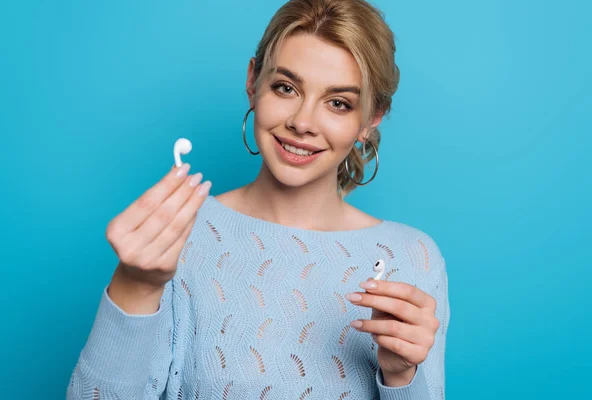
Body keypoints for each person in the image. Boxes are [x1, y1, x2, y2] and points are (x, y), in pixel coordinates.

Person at [67, 0, 450, 398]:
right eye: (286, 88)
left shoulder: (413, 258)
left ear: (372, 118)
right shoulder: (176, 236)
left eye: (339, 103)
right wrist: (135, 285)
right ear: (253, 82)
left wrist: (401, 378)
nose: (302, 122)